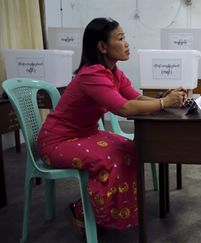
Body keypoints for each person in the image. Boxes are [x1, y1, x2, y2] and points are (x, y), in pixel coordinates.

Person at [36, 17, 186, 233]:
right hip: (58, 141)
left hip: (85, 134)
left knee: (132, 149)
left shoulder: (114, 73)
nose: (127, 44)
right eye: (121, 38)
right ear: (102, 46)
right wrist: (164, 103)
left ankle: (106, 213)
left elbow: (135, 98)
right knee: (111, 158)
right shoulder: (92, 75)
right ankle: (82, 210)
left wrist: (164, 99)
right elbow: (124, 108)